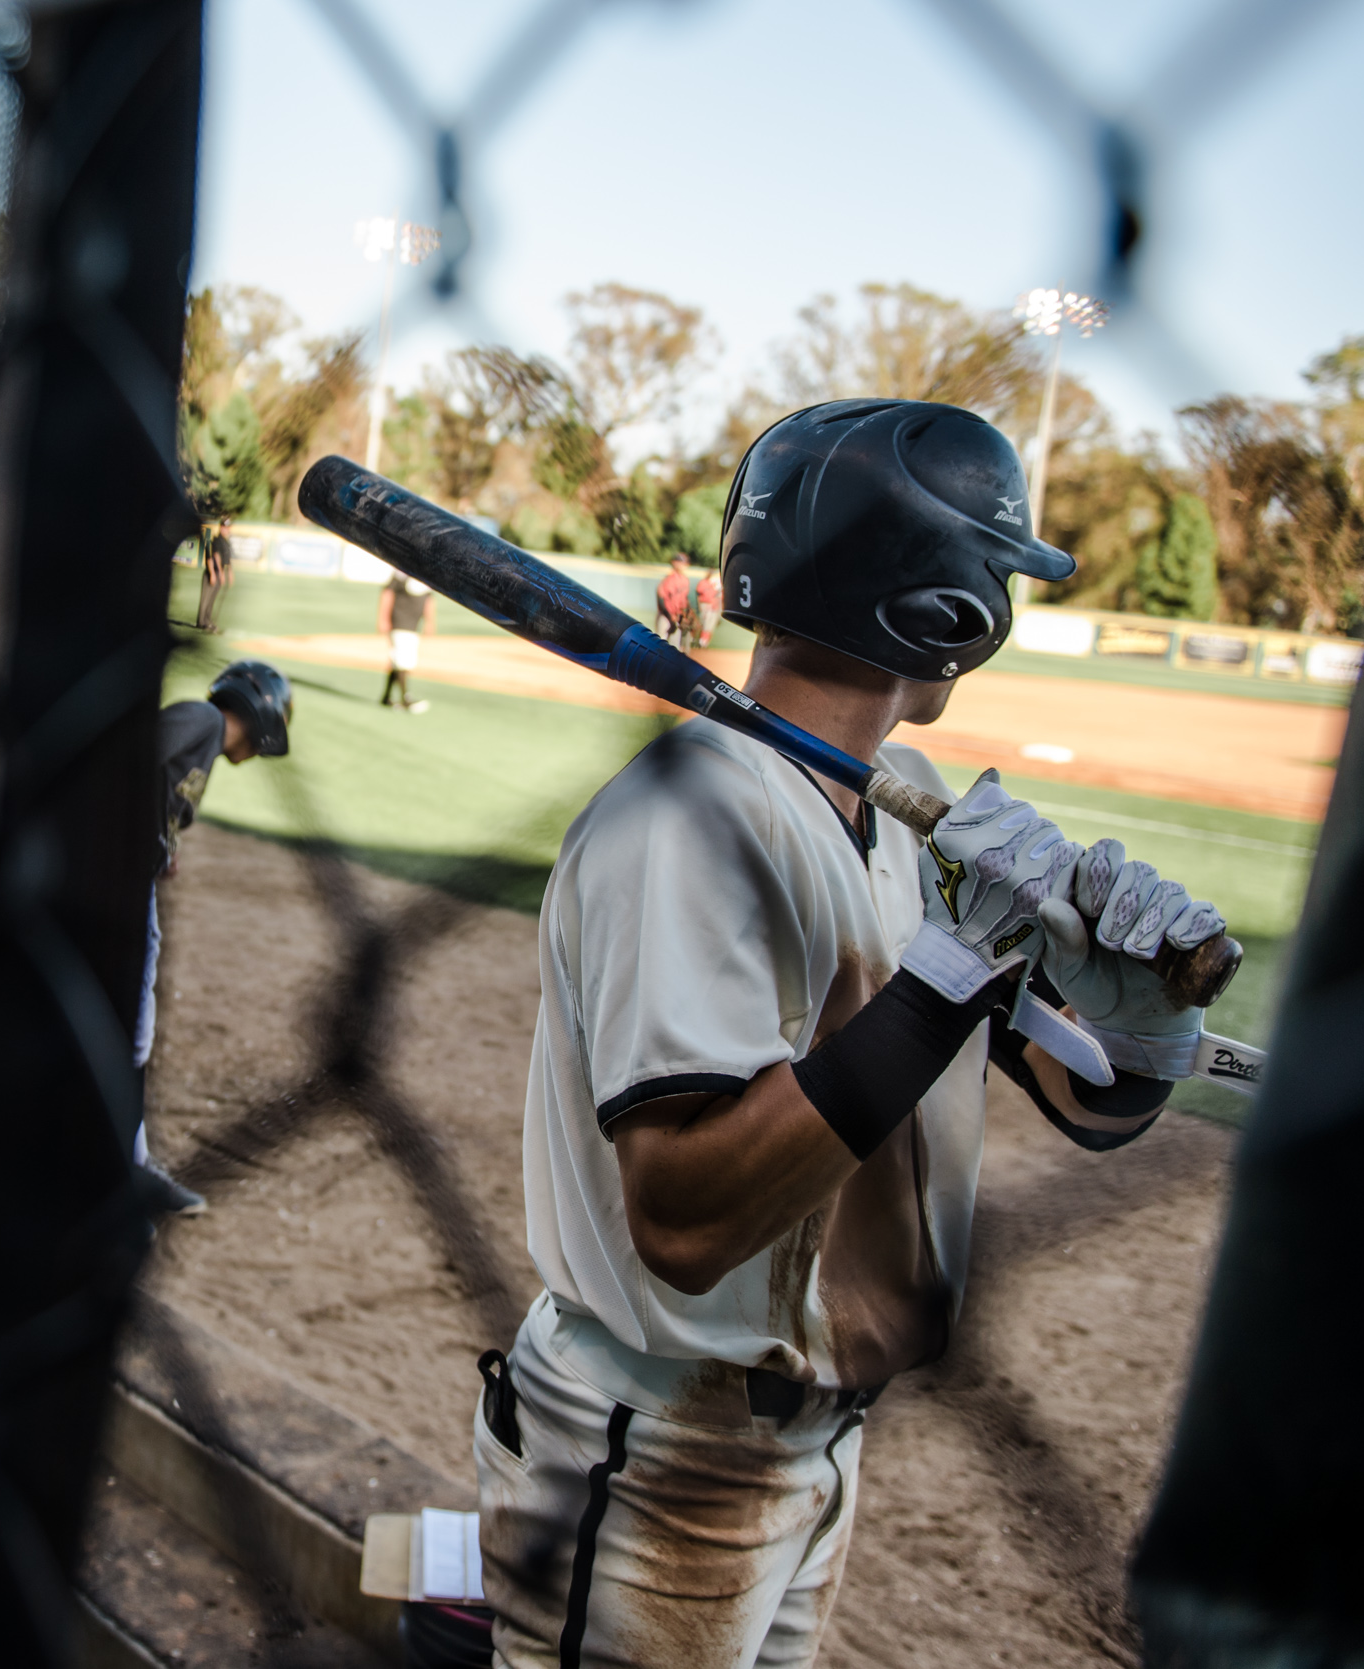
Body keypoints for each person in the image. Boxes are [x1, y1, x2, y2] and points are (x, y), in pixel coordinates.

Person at [474, 399, 1233, 1669]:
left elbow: (1088, 1104)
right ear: (945, 606)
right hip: (653, 1442)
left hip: (815, 1444)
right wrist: (944, 977)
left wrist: (1139, 1018)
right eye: (995, 572)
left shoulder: (914, 816)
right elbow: (684, 1222)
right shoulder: (688, 816)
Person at [134, 659, 293, 1215]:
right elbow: (131, 761)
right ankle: (129, 1171)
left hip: (131, 879)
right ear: (262, 709)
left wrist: (163, 846)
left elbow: (159, 793)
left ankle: (130, 1165)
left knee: (136, 1025)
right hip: (121, 879)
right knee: (134, 1027)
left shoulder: (204, 739)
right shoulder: (201, 719)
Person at [379, 571, 436, 712]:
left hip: (413, 624)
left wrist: (430, 622)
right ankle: (405, 699)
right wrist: (383, 619)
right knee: (402, 660)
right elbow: (387, 594)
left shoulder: (426, 576)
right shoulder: (400, 575)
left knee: (398, 661)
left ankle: (386, 697)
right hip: (399, 622)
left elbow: (428, 599)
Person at [196, 514, 234, 632]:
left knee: (211, 599)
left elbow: (227, 560)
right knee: (206, 599)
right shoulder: (217, 540)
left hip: (219, 573)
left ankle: (207, 620)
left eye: (228, 527)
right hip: (211, 573)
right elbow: (215, 557)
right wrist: (215, 573)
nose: (227, 529)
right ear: (221, 527)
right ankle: (202, 622)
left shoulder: (226, 543)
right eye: (225, 527)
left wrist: (230, 574)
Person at [654, 550, 695, 650]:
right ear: (675, 563)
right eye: (682, 562)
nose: (684, 565)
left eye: (685, 562)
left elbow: (684, 601)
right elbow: (661, 600)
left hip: (677, 617)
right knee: (659, 646)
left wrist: (687, 615)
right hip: (665, 616)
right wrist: (669, 616)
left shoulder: (685, 580)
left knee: (675, 648)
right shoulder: (668, 580)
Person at [692, 558, 725, 648]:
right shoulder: (704, 583)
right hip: (706, 605)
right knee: (701, 624)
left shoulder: (718, 582)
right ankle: (695, 640)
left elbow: (720, 596)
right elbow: (699, 595)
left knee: (709, 626)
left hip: (715, 607)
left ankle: (703, 642)